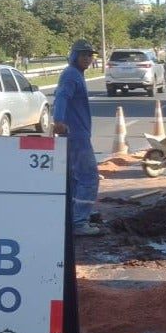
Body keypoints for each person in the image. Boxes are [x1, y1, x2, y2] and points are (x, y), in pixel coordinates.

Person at [53, 39, 101, 236]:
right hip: (77, 135)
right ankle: (79, 222)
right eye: (84, 55)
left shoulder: (75, 74)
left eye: (90, 55)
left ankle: (74, 217)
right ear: (74, 56)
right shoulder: (72, 75)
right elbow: (62, 96)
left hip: (76, 133)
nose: (88, 59)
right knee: (89, 178)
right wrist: (59, 120)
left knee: (75, 179)